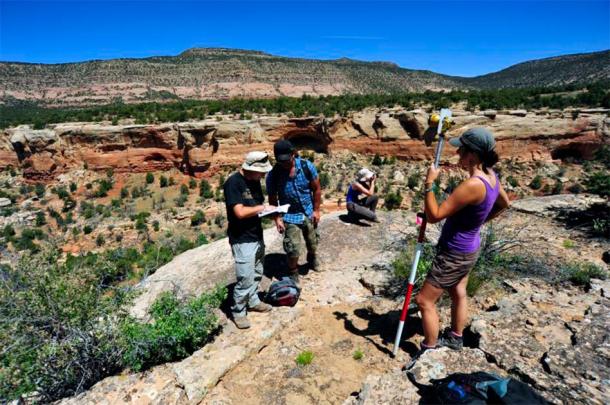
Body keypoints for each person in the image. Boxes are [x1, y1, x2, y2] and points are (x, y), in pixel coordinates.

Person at [415, 127, 510, 352]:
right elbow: (504, 203)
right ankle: (456, 337)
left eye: (462, 150)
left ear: (473, 155)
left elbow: (434, 215)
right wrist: (477, 224)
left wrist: (429, 184)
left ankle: (428, 349)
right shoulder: (491, 176)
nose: (457, 153)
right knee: (458, 292)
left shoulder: (473, 185)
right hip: (469, 248)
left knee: (424, 301)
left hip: (454, 252)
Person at [223, 151, 274, 329]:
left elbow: (255, 209)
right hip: (242, 238)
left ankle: (253, 301)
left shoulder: (255, 181)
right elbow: (240, 212)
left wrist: (272, 212)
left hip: (256, 235)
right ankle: (238, 311)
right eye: (261, 172)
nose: (263, 175)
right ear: (250, 168)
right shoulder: (233, 183)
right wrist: (262, 207)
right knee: (245, 277)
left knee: (257, 271)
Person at [266, 140, 321, 285]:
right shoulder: (273, 175)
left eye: (287, 160)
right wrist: (277, 219)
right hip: (290, 215)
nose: (284, 164)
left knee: (312, 241)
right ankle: (293, 272)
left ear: (293, 154)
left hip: (308, 211)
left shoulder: (306, 166)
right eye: (281, 161)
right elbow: (273, 199)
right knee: (293, 247)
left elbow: (316, 189)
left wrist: (316, 210)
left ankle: (312, 258)